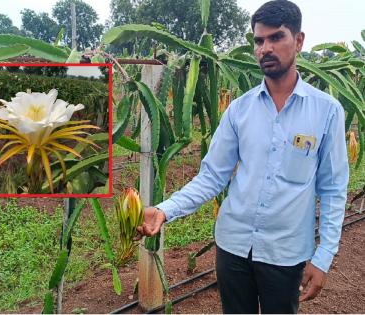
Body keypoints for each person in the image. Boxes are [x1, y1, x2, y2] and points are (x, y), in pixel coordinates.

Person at [136, 0, 349, 313]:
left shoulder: (327, 111)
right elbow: (212, 176)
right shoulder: (240, 110)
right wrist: (165, 210)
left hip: (285, 253)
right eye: (259, 41)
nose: (265, 48)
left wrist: (324, 256)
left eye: (276, 38)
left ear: (298, 41)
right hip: (233, 247)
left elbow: (333, 189)